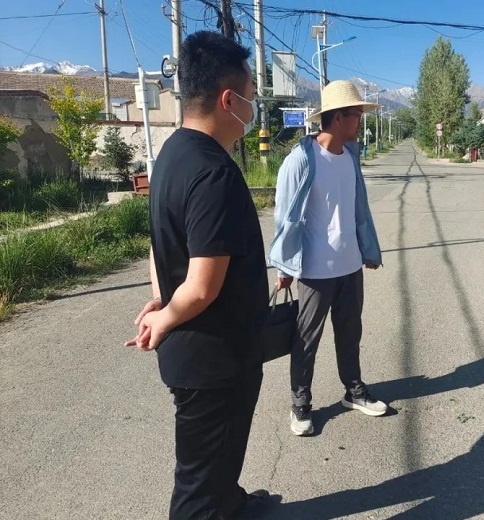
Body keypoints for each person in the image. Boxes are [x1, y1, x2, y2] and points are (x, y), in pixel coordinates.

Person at [124, 31, 270, 518]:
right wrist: (163, 318)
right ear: (229, 100)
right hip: (214, 360)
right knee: (196, 489)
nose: (252, 108)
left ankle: (231, 502)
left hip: (201, 351)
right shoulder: (213, 173)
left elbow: (159, 242)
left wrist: (163, 299)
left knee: (219, 461)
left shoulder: (171, 155)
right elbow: (204, 285)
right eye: (250, 96)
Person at [269, 80, 387, 436]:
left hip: (350, 265)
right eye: (357, 114)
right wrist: (284, 266)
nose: (361, 121)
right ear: (338, 118)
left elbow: (357, 209)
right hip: (314, 269)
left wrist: (367, 249)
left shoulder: (350, 157)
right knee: (306, 339)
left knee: (350, 334)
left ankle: (354, 390)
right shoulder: (300, 161)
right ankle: (300, 403)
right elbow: (284, 217)